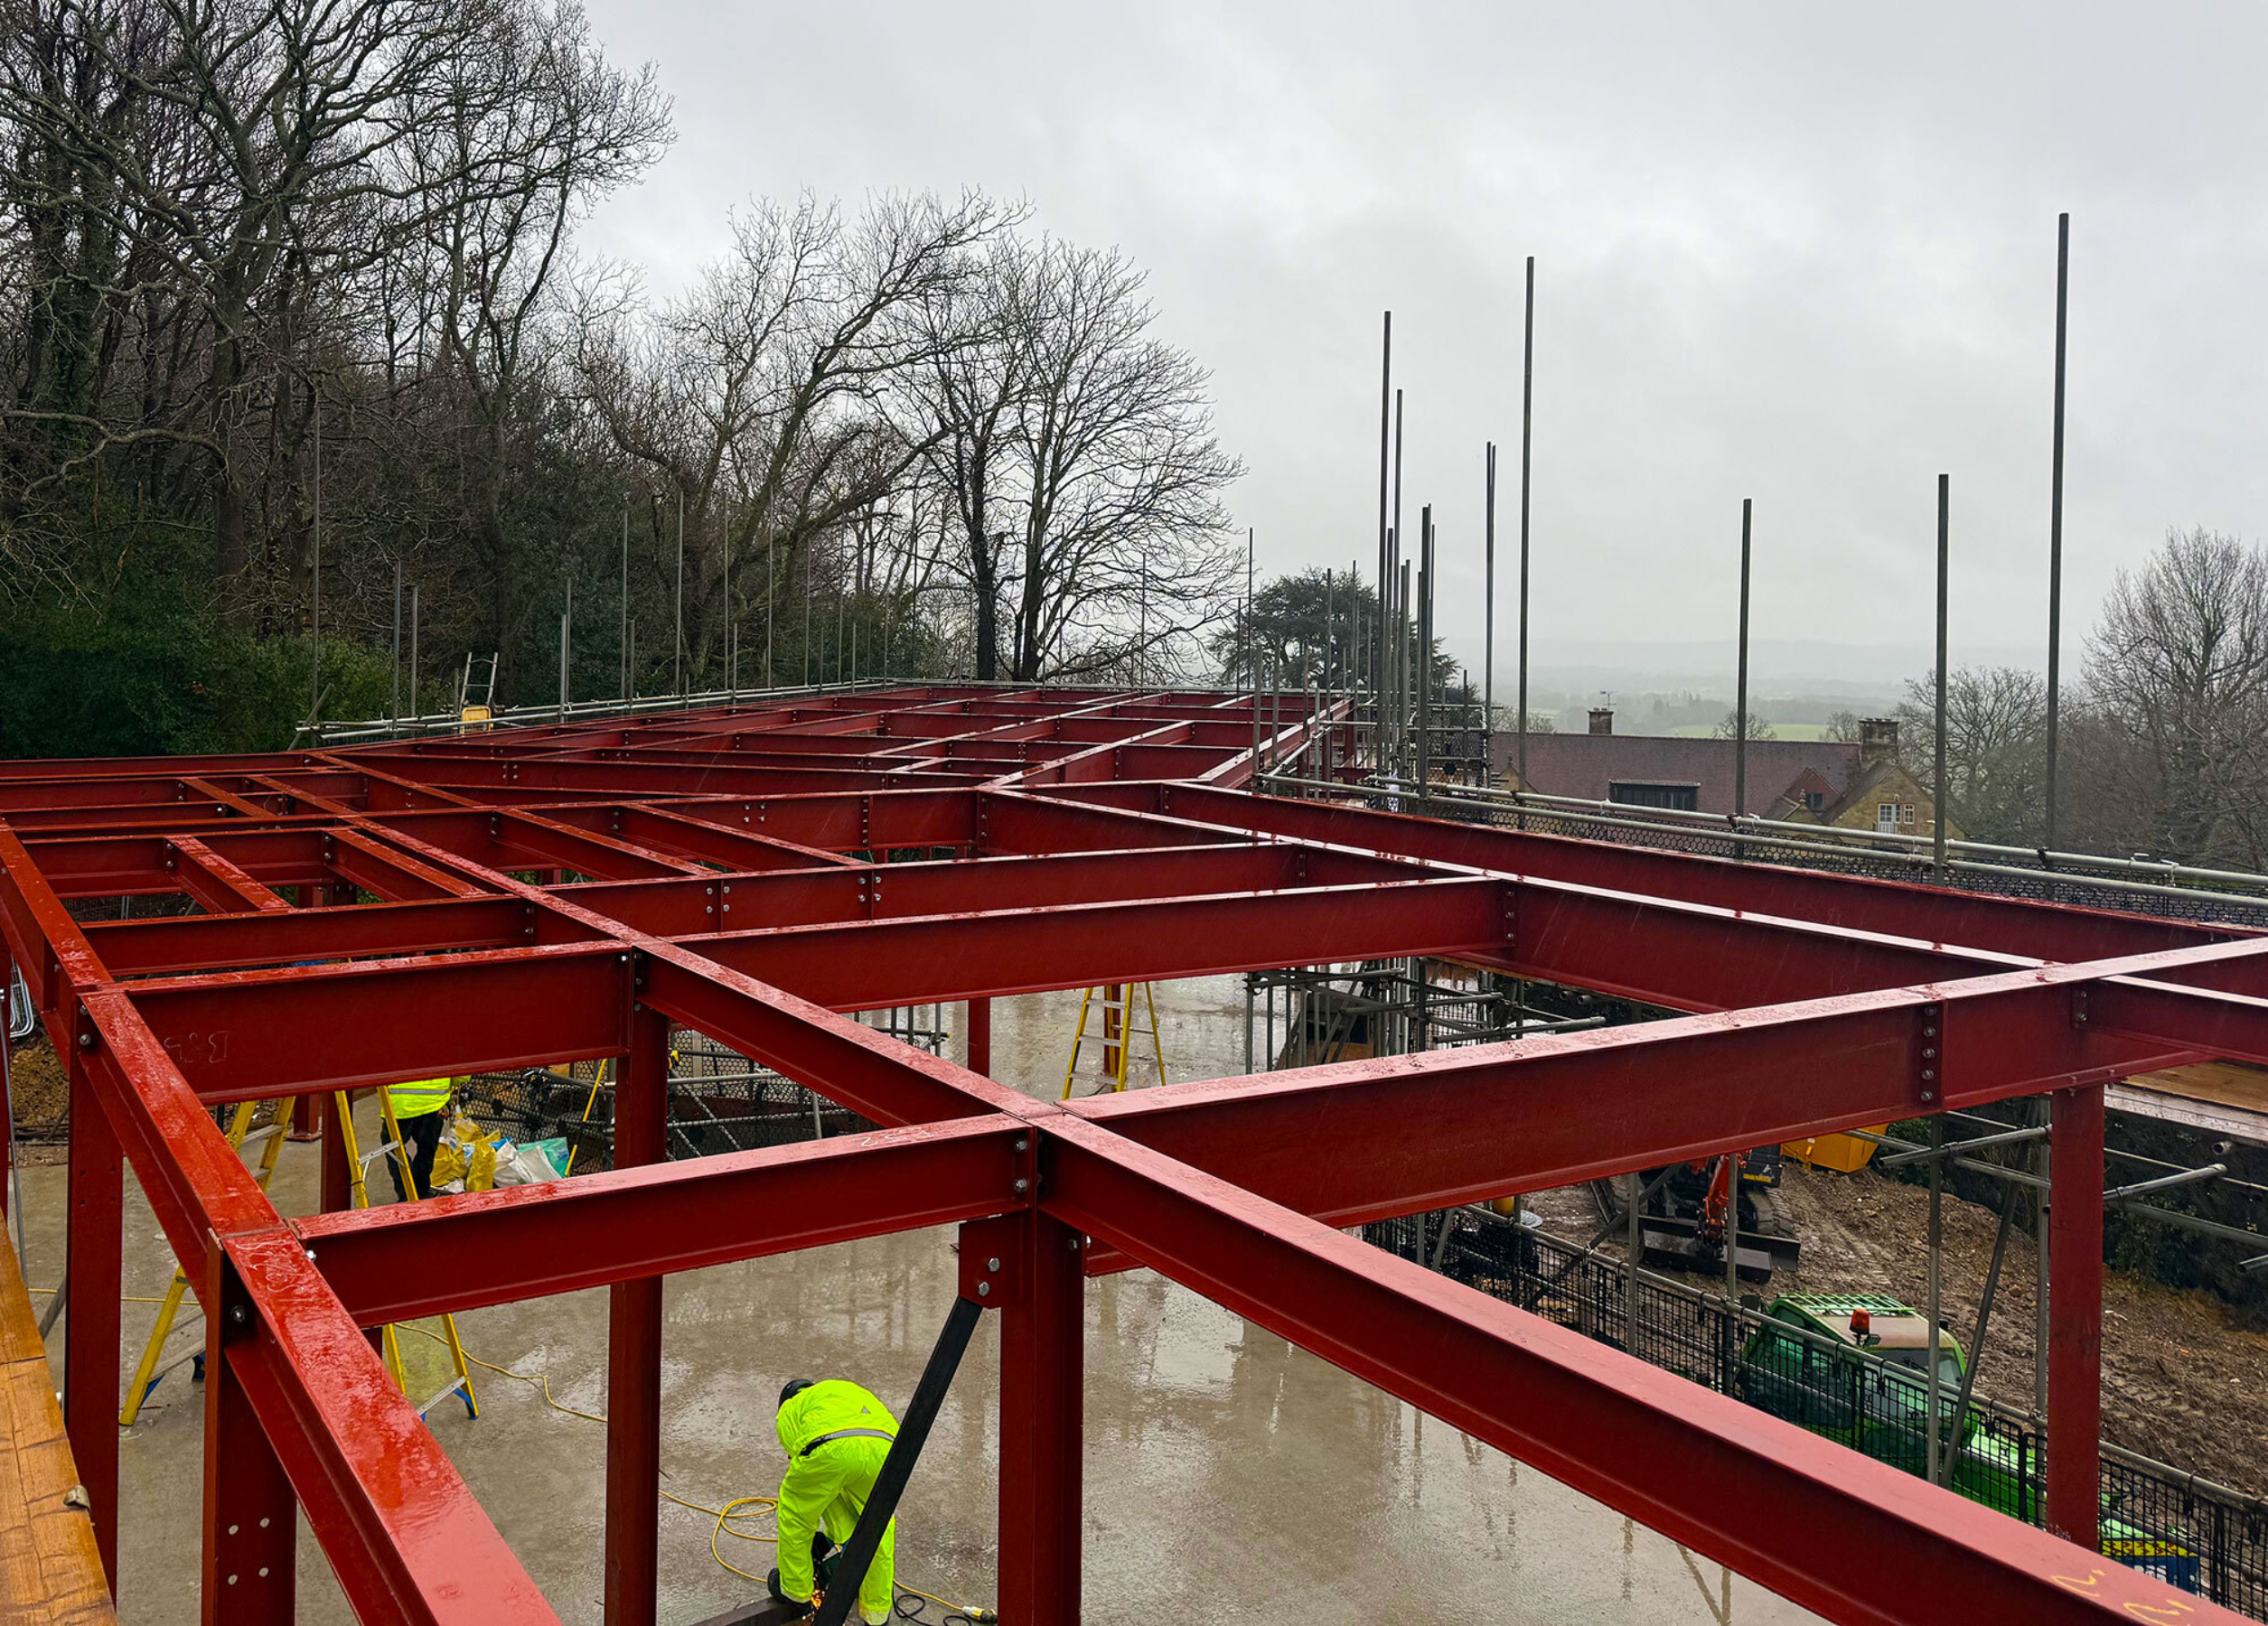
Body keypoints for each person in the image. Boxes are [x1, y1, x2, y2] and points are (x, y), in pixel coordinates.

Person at [767, 1378, 899, 1625]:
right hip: (888, 1451)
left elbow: (805, 1465)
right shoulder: (839, 1391)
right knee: (877, 1526)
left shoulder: (790, 1408)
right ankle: (877, 1614)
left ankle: (795, 1590)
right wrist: (831, 1538)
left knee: (797, 1513)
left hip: (831, 1447)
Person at [384, 1076, 453, 1201]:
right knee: (427, 1149)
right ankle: (421, 1191)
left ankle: (407, 1194)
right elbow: (463, 1073)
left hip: (398, 1103)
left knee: (393, 1150)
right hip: (434, 1101)